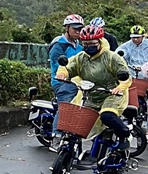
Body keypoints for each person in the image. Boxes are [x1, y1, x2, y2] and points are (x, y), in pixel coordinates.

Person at [54, 23, 131, 159]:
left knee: (107, 116)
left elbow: (125, 76)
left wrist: (119, 87)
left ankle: (124, 135)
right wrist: (62, 73)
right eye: (86, 44)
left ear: (100, 42)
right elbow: (68, 67)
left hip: (112, 95)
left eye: (92, 44)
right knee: (77, 122)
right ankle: (73, 150)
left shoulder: (112, 57)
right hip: (90, 95)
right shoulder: (81, 57)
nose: (89, 47)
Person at [48, 14, 85, 137]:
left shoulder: (79, 46)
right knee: (66, 106)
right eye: (75, 29)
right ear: (67, 28)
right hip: (62, 82)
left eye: (80, 29)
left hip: (77, 82)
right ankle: (56, 136)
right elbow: (57, 64)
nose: (78, 31)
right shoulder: (58, 45)